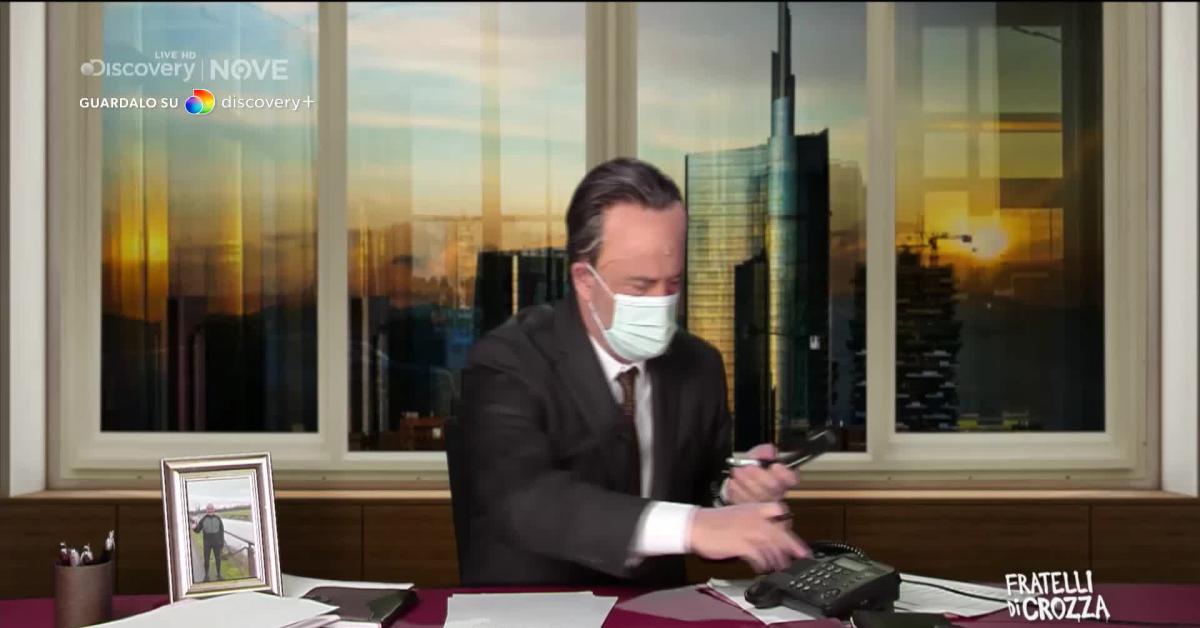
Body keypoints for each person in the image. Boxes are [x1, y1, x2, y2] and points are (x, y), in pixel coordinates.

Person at [456, 157, 809, 587]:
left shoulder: (699, 364)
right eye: (640, 286)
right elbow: (523, 498)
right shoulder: (506, 360)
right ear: (585, 280)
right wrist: (693, 526)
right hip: (533, 605)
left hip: (657, 608)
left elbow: (701, 488)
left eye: (673, 284)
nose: (661, 302)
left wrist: (732, 494)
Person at [192, 503, 225, 582]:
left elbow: (221, 531)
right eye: (208, 509)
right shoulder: (203, 519)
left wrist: (222, 542)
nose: (210, 510)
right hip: (207, 542)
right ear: (206, 510)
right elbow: (198, 530)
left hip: (217, 542)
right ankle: (206, 576)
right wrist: (194, 528)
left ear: (214, 510)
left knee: (218, 559)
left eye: (211, 509)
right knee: (206, 559)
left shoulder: (218, 519)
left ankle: (219, 574)